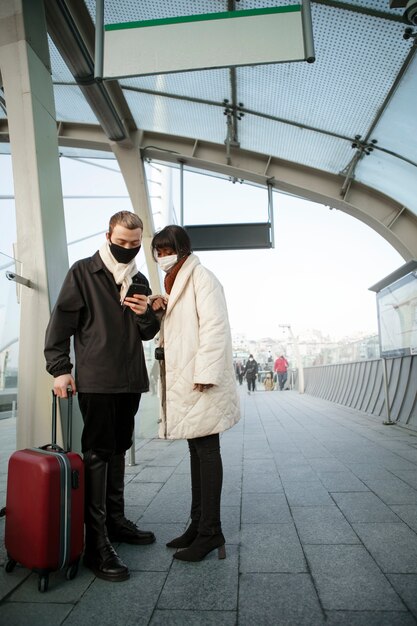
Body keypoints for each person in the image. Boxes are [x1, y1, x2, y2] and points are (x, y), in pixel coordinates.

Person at [44, 211, 160, 583]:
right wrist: (60, 368)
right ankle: (96, 543)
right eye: (122, 241)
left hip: (130, 380)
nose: (128, 249)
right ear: (108, 235)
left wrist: (147, 315)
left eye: (134, 243)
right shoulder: (83, 272)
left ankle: (116, 521)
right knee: (96, 455)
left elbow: (145, 333)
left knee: (119, 450)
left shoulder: (138, 279)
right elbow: (61, 323)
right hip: (96, 381)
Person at [149, 225, 240, 562]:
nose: (162, 257)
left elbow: (215, 327)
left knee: (206, 449)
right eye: (158, 251)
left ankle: (210, 531)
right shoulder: (175, 282)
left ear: (182, 249)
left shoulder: (202, 278)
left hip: (201, 380)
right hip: (186, 379)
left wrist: (206, 373)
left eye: (166, 249)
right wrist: (162, 310)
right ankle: (198, 525)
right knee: (196, 449)